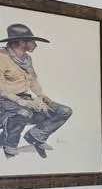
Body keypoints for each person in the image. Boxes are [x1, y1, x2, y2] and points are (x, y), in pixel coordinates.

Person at [0, 23, 72, 159]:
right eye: (32, 41)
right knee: (24, 112)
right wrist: (19, 101)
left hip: (24, 98)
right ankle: (9, 147)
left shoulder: (27, 59)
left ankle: (36, 135)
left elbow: (32, 80)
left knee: (64, 111)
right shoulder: (1, 57)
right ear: (21, 42)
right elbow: (1, 88)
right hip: (4, 101)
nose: (35, 45)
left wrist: (41, 96)